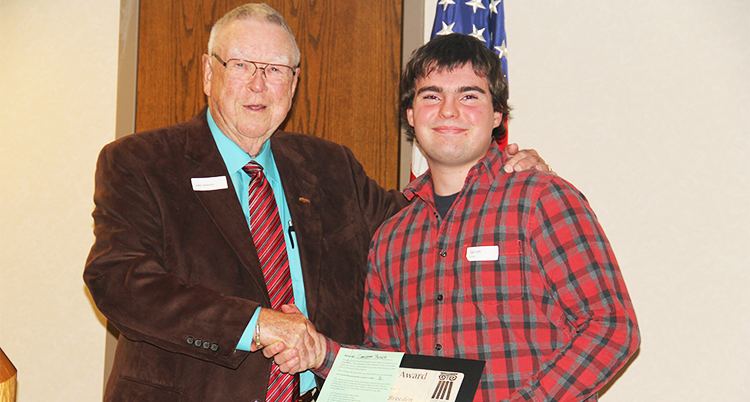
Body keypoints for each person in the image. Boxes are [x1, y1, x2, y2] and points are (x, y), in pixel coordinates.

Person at [83, 4, 549, 402]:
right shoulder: (140, 162)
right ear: (209, 72)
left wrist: (496, 174)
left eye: (276, 70)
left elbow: (420, 222)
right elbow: (119, 279)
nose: (258, 85)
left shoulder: (329, 166)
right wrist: (255, 324)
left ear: (295, 82)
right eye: (242, 65)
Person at [282, 34, 640, 402]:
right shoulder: (390, 238)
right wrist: (321, 353)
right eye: (431, 96)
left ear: (497, 114)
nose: (448, 111)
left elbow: (612, 328)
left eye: (469, 96)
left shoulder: (542, 199)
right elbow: (390, 369)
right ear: (410, 114)